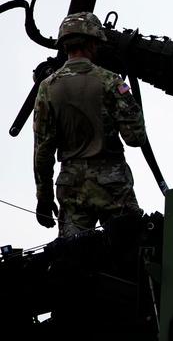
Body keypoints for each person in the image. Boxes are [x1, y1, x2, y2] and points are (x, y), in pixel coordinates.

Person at [33, 12, 147, 237]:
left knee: (76, 261)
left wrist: (44, 199)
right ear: (92, 42)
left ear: (65, 45)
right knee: (129, 255)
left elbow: (42, 151)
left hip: (71, 187)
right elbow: (135, 138)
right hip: (113, 185)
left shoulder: (47, 88)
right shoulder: (110, 80)